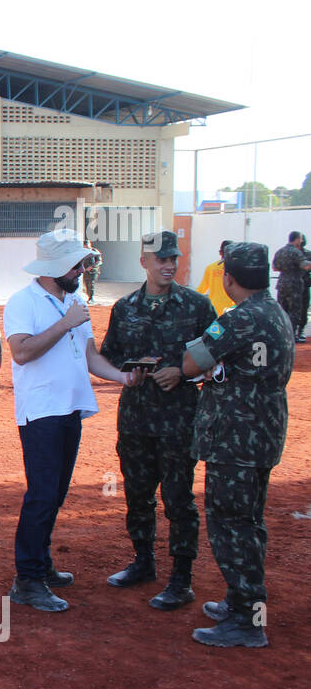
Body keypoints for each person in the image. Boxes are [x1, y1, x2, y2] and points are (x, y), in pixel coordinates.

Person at [3, 228, 144, 612]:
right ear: (52, 267)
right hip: (41, 414)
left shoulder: (74, 300)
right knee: (42, 496)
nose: (82, 269)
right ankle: (27, 580)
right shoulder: (23, 302)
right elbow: (21, 353)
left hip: (70, 410)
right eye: (75, 264)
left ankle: (41, 565)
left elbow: (90, 355)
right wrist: (64, 322)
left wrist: (123, 377)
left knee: (56, 494)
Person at [181, 242, 294, 647]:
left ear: (228, 277)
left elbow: (192, 362)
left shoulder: (240, 318)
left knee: (230, 524)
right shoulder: (275, 310)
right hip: (262, 433)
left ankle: (248, 620)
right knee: (249, 522)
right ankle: (241, 603)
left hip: (235, 438)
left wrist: (208, 367)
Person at [98, 231, 216, 610]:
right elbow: (110, 354)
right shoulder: (124, 307)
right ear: (144, 262)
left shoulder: (197, 306)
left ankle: (181, 578)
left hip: (179, 419)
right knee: (137, 494)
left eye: (173, 259)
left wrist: (182, 373)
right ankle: (143, 562)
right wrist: (125, 373)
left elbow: (215, 358)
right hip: (134, 418)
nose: (168, 266)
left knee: (179, 499)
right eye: (161, 259)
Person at [272, 230, 310, 343]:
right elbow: (305, 266)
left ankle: (282, 334)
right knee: (294, 311)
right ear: (297, 239)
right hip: (294, 284)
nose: (302, 241)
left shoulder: (280, 251)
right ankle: (291, 335)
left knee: (283, 311)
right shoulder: (296, 252)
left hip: (282, 282)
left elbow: (275, 267)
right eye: (301, 239)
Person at [195, 240, 236, 316]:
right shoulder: (236, 268)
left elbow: (201, 290)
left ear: (220, 252)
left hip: (214, 309)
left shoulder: (210, 268)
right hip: (231, 310)